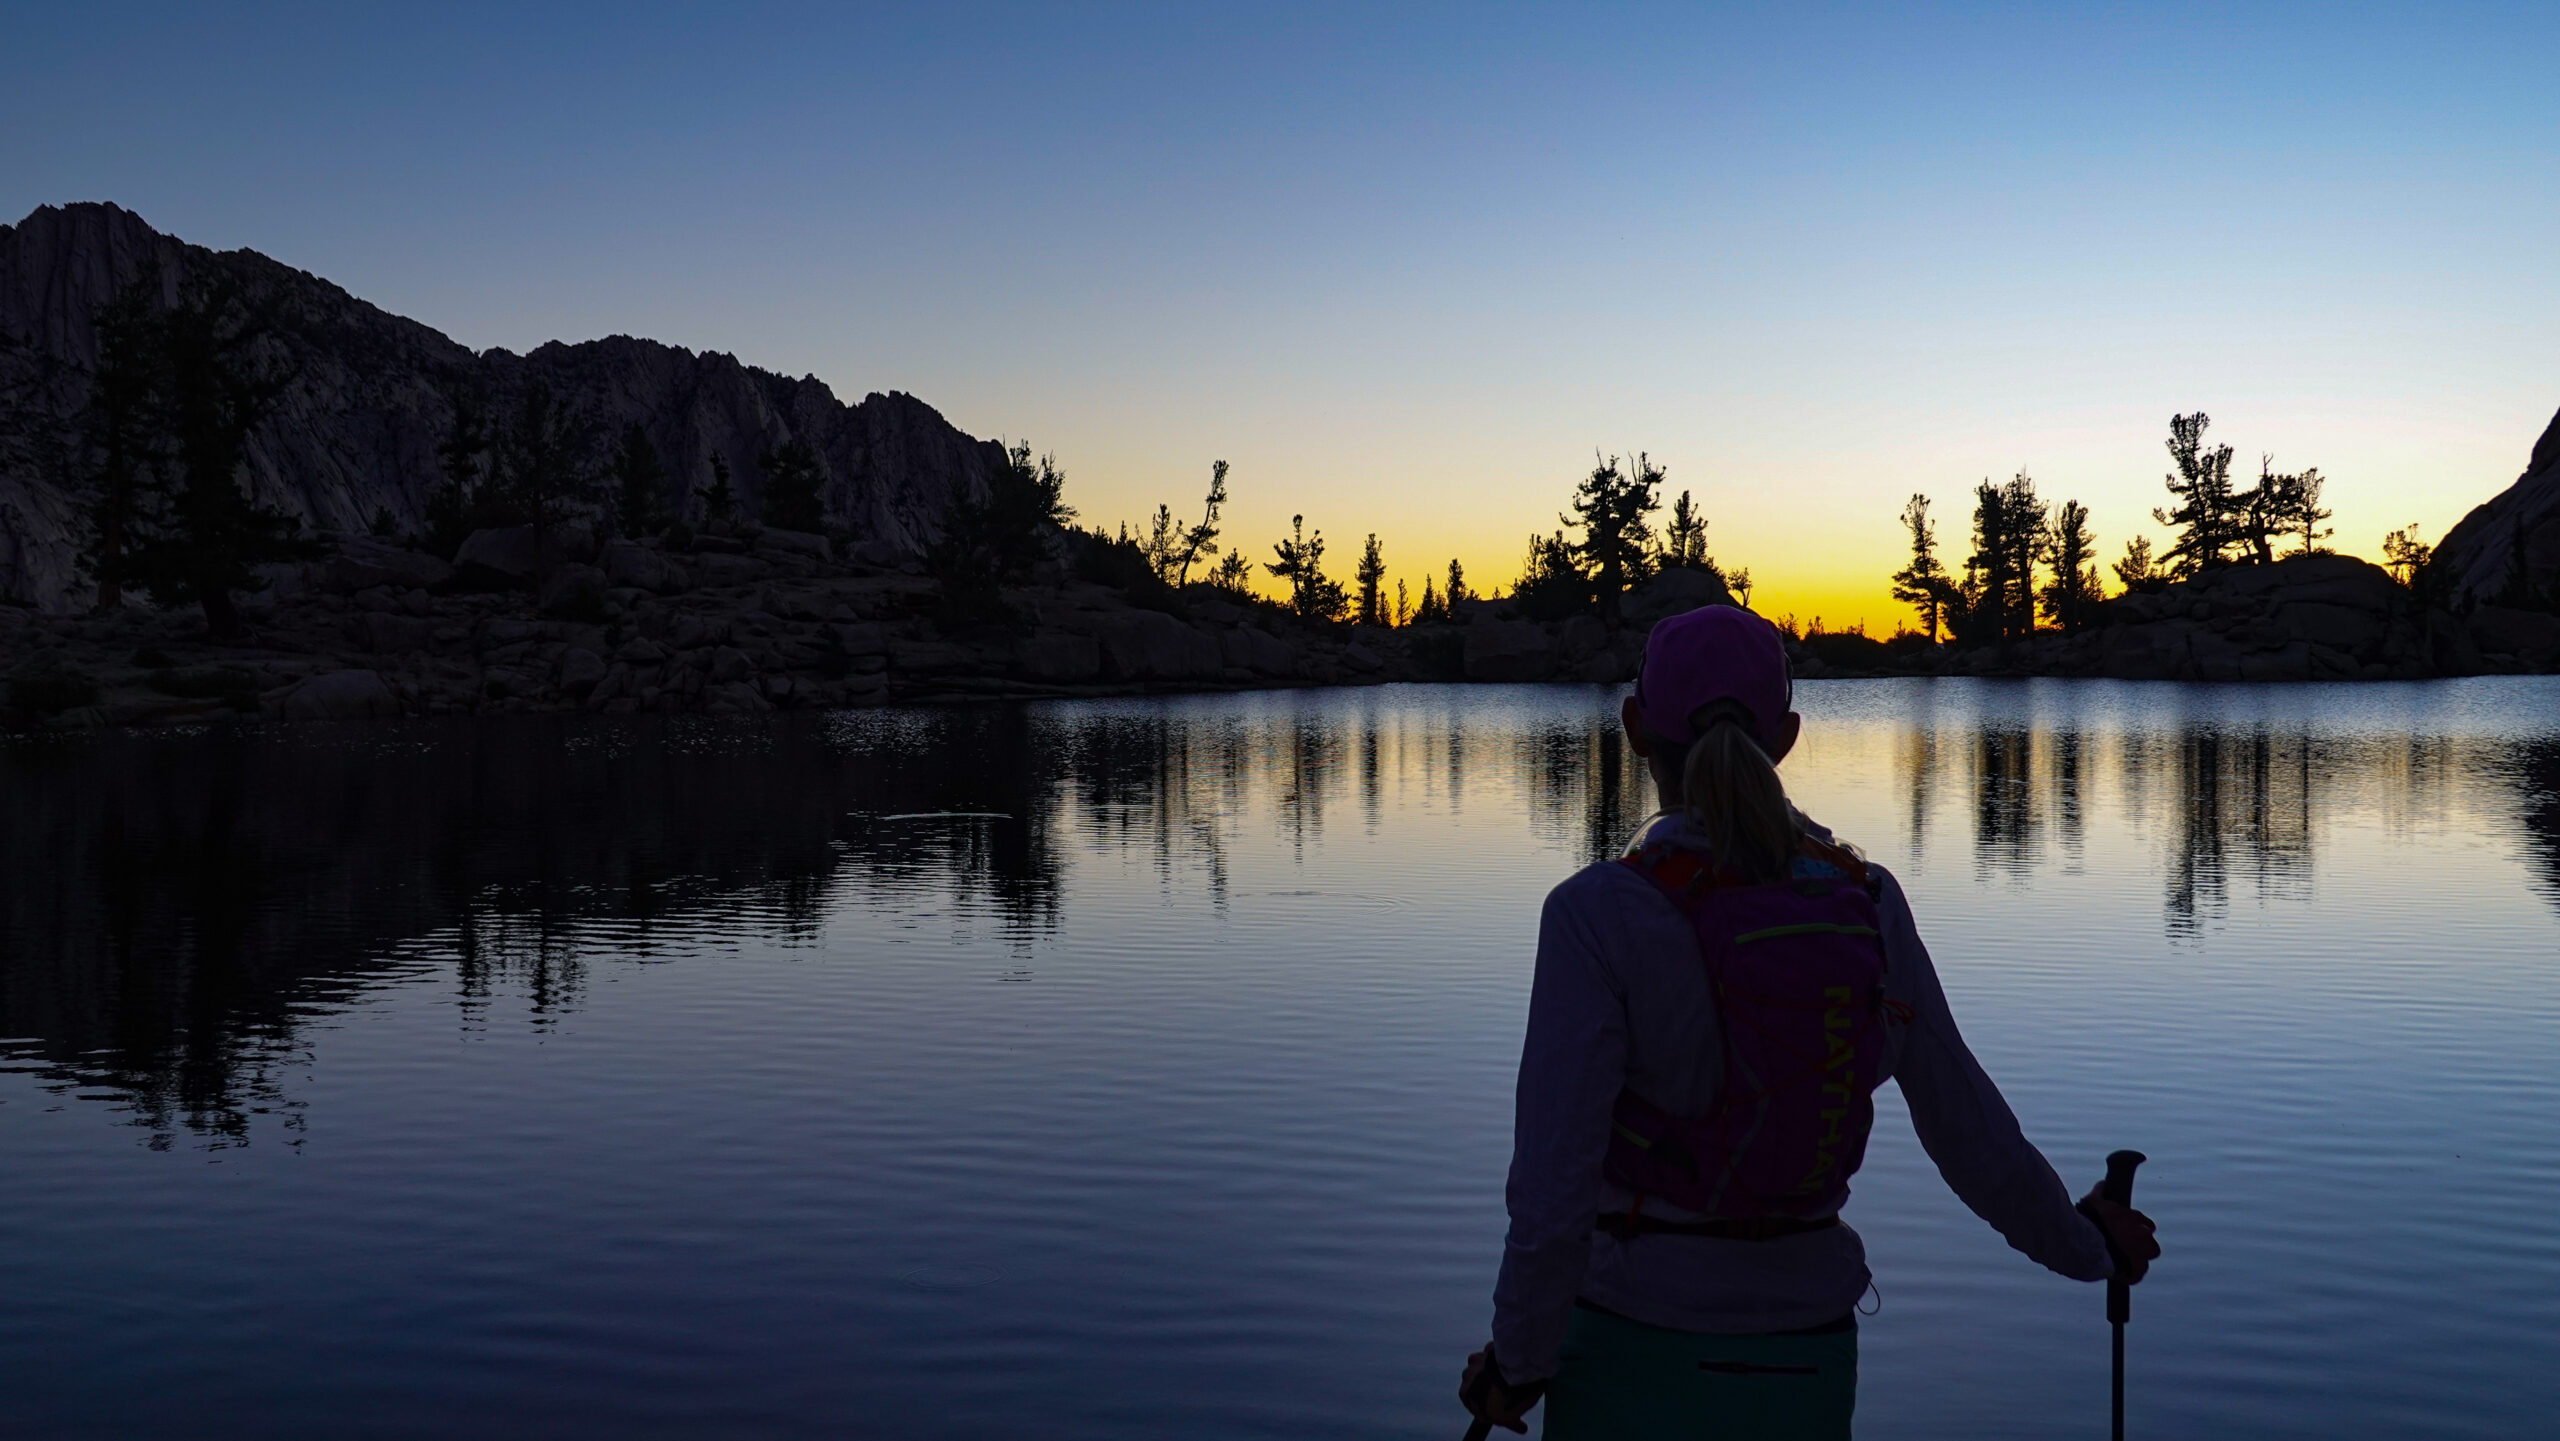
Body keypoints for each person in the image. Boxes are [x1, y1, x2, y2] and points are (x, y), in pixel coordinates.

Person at [1457, 605, 2159, 1439]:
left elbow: (1552, 1190)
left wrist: (1518, 1364)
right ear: (1787, 736)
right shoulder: (1867, 904)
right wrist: (2086, 1246)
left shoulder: (1597, 916)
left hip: (1628, 1344)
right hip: (1806, 1352)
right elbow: (1970, 1132)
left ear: (1636, 728)